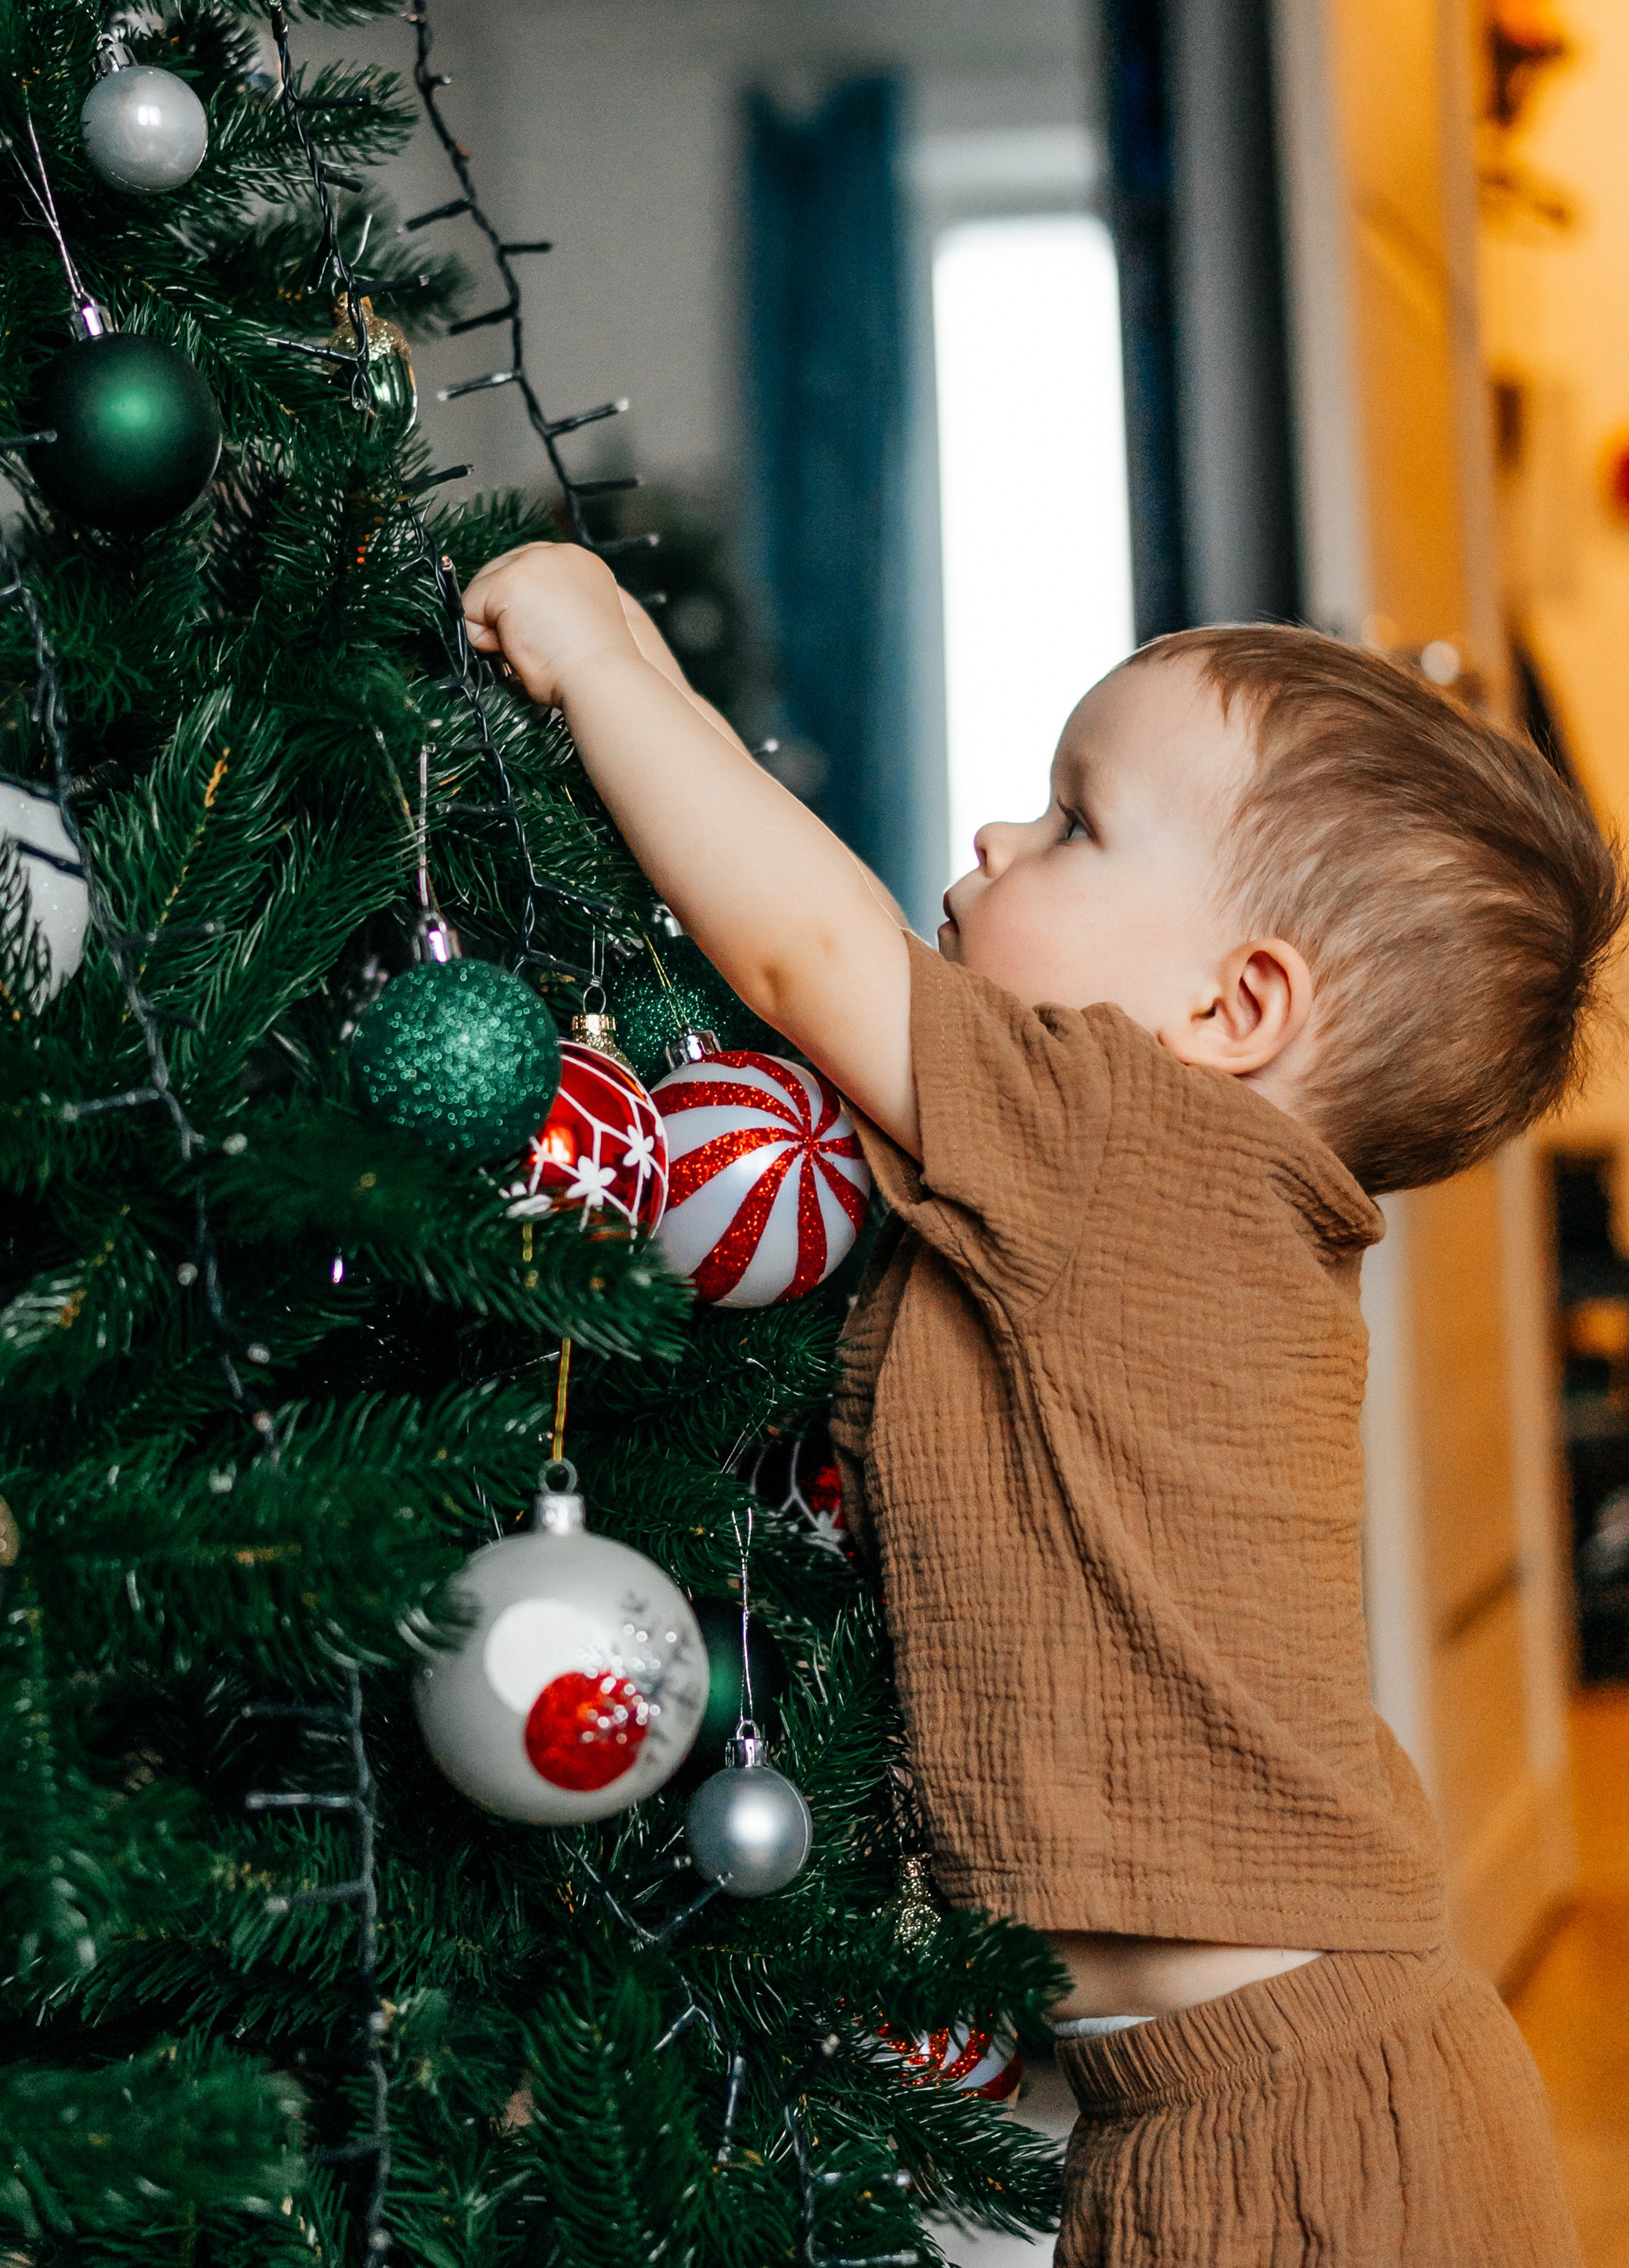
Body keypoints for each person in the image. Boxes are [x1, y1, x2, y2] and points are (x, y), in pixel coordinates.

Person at [460, 537, 1620, 2267]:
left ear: (1228, 1011)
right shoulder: (1149, 1207)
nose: (996, 840)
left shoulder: (1135, 1147)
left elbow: (806, 956)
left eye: (1072, 823)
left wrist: (607, 662)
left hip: (1302, 2131)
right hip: (1194, 2098)